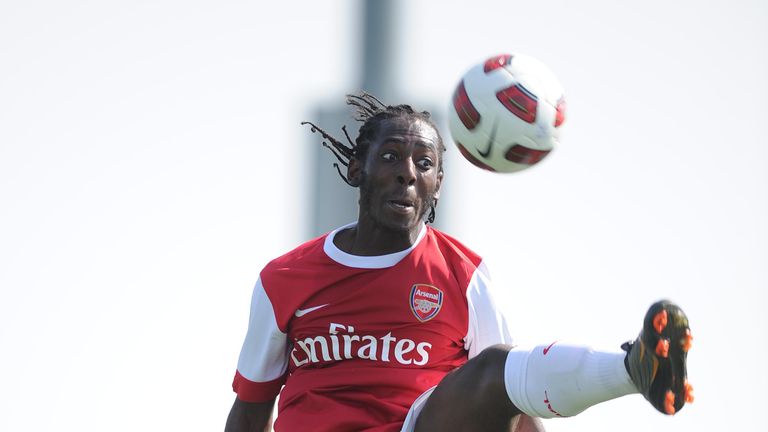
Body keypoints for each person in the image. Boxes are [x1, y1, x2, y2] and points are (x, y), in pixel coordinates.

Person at [224, 93, 694, 432]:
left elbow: (511, 397)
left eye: (423, 163)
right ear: (356, 170)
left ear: (438, 185)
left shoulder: (463, 275)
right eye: (390, 157)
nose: (407, 172)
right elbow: (250, 410)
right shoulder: (284, 278)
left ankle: (635, 369)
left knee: (497, 368)